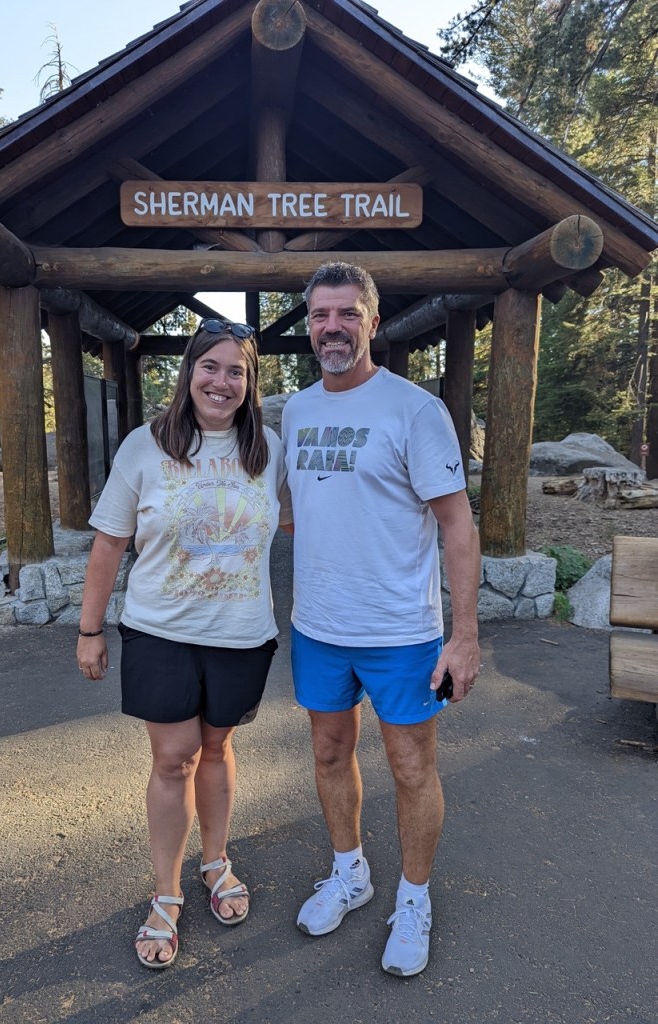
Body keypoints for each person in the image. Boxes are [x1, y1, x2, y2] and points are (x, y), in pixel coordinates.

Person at [281, 261, 481, 977]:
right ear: (308, 325)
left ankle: (415, 898)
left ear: (371, 320)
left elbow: (456, 525)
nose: (330, 327)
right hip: (319, 626)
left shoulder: (413, 411)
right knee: (330, 754)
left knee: (409, 767)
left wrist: (463, 635)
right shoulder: (297, 411)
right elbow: (289, 511)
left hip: (401, 631)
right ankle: (350, 873)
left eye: (345, 314)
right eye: (318, 316)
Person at [77, 318, 292, 970]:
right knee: (173, 758)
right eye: (210, 366)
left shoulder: (268, 450)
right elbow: (109, 543)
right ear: (189, 372)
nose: (221, 381)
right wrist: (89, 630)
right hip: (159, 629)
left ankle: (215, 862)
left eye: (236, 371)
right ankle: (166, 892)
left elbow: (304, 516)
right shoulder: (147, 446)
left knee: (217, 747)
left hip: (239, 632)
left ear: (249, 383)